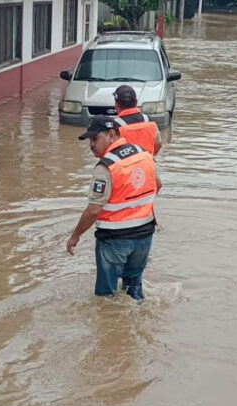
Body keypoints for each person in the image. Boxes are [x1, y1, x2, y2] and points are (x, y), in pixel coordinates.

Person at [66, 115, 162, 301]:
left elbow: (93, 210)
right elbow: (158, 184)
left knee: (105, 296)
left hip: (114, 240)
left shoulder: (106, 167)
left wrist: (75, 236)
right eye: (90, 140)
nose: (91, 144)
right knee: (134, 286)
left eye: (95, 138)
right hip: (144, 237)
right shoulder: (144, 154)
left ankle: (109, 326)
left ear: (111, 135)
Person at [112, 85, 163, 157]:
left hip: (125, 167)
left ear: (116, 105)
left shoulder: (114, 126)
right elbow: (158, 144)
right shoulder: (149, 121)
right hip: (147, 165)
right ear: (136, 102)